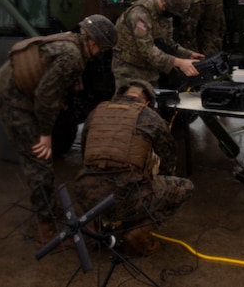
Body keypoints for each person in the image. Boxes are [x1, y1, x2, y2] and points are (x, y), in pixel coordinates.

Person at [0, 14, 118, 246]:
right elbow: (45, 96)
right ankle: (46, 229)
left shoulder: (73, 41)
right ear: (92, 43)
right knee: (39, 163)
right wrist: (46, 134)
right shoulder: (73, 57)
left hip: (19, 91)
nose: (100, 54)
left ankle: (51, 209)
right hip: (12, 98)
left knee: (42, 162)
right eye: (101, 48)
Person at [74, 79, 194, 256]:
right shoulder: (149, 116)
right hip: (125, 196)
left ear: (120, 96)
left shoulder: (95, 113)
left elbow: (85, 155)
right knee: (184, 187)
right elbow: (168, 158)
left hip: (86, 195)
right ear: (146, 102)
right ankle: (138, 231)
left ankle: (93, 225)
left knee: (96, 178)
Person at [111, 0, 204, 89]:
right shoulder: (140, 15)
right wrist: (180, 63)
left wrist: (188, 54)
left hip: (149, 71)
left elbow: (168, 44)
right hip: (129, 70)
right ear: (165, 6)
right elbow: (148, 51)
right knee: (131, 104)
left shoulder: (166, 15)